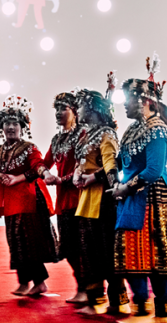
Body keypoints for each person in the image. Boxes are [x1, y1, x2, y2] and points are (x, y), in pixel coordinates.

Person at [110, 55, 167, 322]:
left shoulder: (158, 129)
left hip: (154, 199)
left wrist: (125, 189)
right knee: (131, 255)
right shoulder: (132, 130)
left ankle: (166, 311)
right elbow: (121, 162)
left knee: (157, 257)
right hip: (132, 199)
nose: (124, 105)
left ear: (145, 101)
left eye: (128, 100)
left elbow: (154, 170)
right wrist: (114, 181)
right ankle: (141, 306)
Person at [0, 96, 58, 296]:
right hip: (11, 203)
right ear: (2, 127)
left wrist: (41, 175)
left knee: (30, 242)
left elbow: (37, 165)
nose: (11, 127)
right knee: (15, 242)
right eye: (7, 123)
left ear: (23, 127)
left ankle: (38, 282)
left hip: (30, 201)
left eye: (15, 123)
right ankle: (25, 282)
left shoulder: (29, 148)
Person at [72, 77, 130, 315]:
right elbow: (82, 162)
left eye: (80, 106)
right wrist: (77, 174)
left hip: (103, 202)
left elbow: (112, 166)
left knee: (106, 253)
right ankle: (95, 300)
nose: (77, 110)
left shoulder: (106, 134)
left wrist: (93, 177)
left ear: (92, 108)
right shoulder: (87, 135)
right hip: (86, 201)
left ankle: (116, 302)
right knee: (89, 253)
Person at [42, 90, 85, 303]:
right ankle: (82, 287)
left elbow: (85, 166)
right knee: (68, 247)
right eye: (56, 109)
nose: (59, 113)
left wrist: (61, 179)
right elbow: (44, 163)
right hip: (63, 201)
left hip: (82, 200)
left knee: (83, 247)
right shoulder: (57, 139)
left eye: (63, 108)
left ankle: (89, 289)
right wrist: (46, 173)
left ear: (75, 111)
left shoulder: (83, 134)